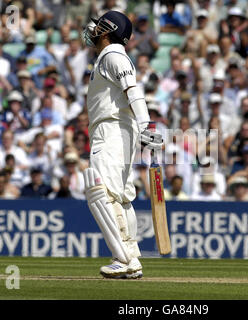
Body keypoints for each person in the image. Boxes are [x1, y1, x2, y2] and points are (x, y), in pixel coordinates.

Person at [82, 11, 162, 279]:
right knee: (120, 196)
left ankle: (122, 258)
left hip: (113, 130)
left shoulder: (114, 55)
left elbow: (133, 90)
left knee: (100, 191)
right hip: (116, 131)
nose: (93, 30)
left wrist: (147, 125)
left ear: (108, 29)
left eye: (99, 25)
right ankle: (131, 258)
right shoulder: (109, 57)